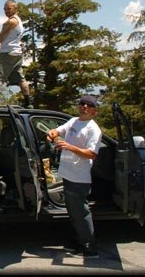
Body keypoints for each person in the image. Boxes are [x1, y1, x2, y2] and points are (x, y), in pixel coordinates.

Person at [46, 94, 103, 258]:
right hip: (67, 173)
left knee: (81, 213)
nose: (85, 107)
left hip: (79, 177)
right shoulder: (74, 121)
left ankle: (90, 248)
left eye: (89, 105)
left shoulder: (93, 129)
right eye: (82, 104)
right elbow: (59, 130)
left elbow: (92, 154)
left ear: (94, 111)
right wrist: (52, 132)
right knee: (73, 213)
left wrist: (69, 147)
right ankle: (79, 242)